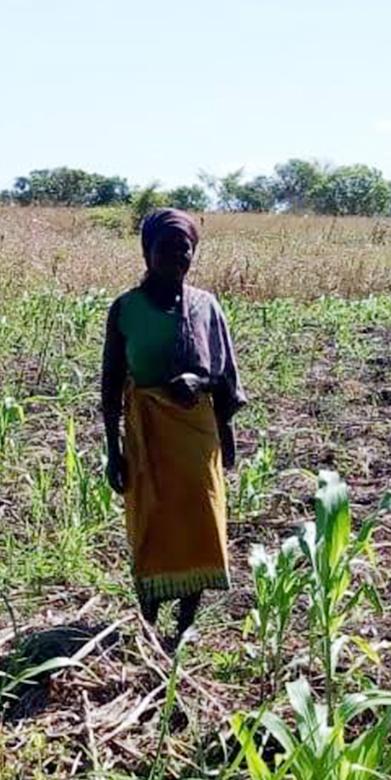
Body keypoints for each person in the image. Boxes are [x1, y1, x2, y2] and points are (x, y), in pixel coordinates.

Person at [100, 209, 245, 647]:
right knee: (152, 521)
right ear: (148, 251)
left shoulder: (205, 306)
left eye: (186, 250)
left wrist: (198, 381)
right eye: (167, 248)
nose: (178, 257)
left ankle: (185, 625)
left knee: (200, 519)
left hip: (196, 435)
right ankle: (148, 618)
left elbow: (224, 375)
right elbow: (109, 384)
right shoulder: (125, 309)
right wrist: (113, 449)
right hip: (147, 434)